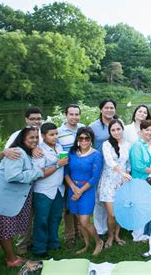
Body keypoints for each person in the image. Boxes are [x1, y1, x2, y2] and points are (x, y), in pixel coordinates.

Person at [0, 127, 45, 267]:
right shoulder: (17, 152)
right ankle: (12, 260)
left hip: (5, 200)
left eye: (36, 137)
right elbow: (12, 176)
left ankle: (11, 256)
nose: (35, 140)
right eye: (31, 137)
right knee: (5, 229)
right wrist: (37, 172)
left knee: (5, 229)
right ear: (22, 139)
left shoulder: (24, 152)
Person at [64, 127, 104, 256]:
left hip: (87, 190)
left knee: (85, 221)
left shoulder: (96, 155)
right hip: (72, 190)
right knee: (78, 220)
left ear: (91, 139)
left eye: (87, 138)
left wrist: (80, 191)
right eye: (81, 138)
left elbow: (95, 178)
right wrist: (73, 188)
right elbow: (66, 173)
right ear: (77, 139)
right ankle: (86, 245)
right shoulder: (72, 153)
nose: (84, 141)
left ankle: (99, 242)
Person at [31, 123, 69, 257]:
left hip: (59, 189)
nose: (55, 137)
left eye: (56, 134)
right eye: (51, 135)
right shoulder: (39, 151)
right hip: (43, 191)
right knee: (41, 220)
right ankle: (39, 248)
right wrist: (58, 165)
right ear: (43, 136)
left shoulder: (59, 147)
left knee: (55, 218)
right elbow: (40, 175)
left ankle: (54, 243)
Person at [98, 119, 132, 249]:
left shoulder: (128, 145)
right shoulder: (106, 144)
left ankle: (117, 235)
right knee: (111, 214)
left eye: (118, 129)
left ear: (122, 129)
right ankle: (110, 236)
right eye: (113, 130)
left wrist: (126, 174)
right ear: (110, 132)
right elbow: (110, 161)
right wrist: (121, 172)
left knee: (120, 212)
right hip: (109, 182)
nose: (116, 132)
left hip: (122, 182)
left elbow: (128, 163)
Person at [89, 99, 118, 237]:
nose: (109, 110)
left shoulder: (118, 124)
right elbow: (87, 145)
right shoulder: (93, 127)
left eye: (112, 107)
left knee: (112, 197)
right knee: (99, 199)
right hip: (98, 166)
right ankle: (100, 229)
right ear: (101, 110)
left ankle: (112, 225)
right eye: (106, 107)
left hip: (115, 167)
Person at [57, 104, 84, 248]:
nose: (74, 117)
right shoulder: (59, 132)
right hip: (66, 174)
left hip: (81, 173)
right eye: (71, 114)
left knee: (79, 203)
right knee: (68, 205)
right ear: (65, 115)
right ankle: (69, 236)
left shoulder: (83, 128)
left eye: (76, 114)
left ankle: (80, 231)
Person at [130, 120, 151, 241]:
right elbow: (138, 166)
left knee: (150, 207)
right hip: (141, 180)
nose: (149, 132)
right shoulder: (137, 146)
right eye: (147, 130)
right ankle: (138, 235)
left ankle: (148, 232)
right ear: (141, 131)